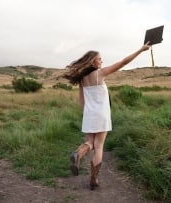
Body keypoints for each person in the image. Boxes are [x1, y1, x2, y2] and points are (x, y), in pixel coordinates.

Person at [64, 42, 150, 190]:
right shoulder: (100, 74)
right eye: (99, 59)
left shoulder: (82, 80)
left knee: (90, 143)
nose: (102, 61)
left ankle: (78, 153)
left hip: (89, 114)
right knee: (99, 146)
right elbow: (123, 62)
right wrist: (140, 50)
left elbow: (82, 100)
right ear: (92, 61)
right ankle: (93, 179)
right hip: (102, 114)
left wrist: (87, 114)